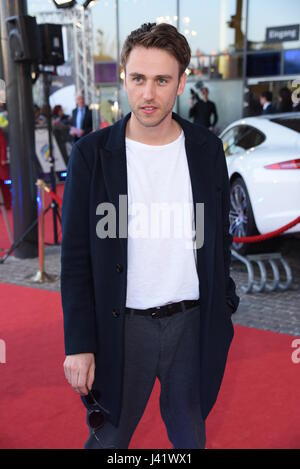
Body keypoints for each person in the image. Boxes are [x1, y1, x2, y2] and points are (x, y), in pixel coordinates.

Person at [61, 22, 239, 450]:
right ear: (124, 77)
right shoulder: (92, 155)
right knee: (107, 441)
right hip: (122, 329)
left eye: (162, 80)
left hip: (191, 325)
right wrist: (80, 344)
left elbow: (218, 239)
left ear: (181, 82)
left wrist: (225, 303)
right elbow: (76, 258)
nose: (148, 94)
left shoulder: (206, 150)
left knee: (190, 437)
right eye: (138, 79)